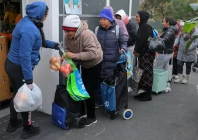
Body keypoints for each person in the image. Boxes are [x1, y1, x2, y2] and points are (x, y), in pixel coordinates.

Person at [4, 2, 60, 139]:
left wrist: (55, 45)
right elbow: (24, 56)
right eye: (45, 14)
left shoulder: (28, 22)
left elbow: (40, 41)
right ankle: (27, 128)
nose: (46, 17)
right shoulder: (29, 29)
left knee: (18, 93)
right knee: (25, 98)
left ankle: (13, 122)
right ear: (39, 13)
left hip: (12, 64)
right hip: (19, 67)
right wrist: (28, 80)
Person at [62, 15, 103, 126]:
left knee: (90, 90)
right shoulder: (67, 36)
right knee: (81, 88)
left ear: (76, 29)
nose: (67, 33)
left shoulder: (87, 34)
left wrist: (74, 55)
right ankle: (82, 112)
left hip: (94, 63)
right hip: (81, 62)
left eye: (69, 31)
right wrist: (66, 56)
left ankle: (91, 116)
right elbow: (66, 49)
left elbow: (92, 54)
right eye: (65, 31)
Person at [95, 8, 127, 108]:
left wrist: (123, 48)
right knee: (99, 82)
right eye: (100, 19)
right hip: (99, 61)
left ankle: (109, 102)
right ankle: (98, 101)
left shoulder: (117, 29)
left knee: (110, 83)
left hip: (112, 62)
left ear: (109, 19)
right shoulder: (96, 30)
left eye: (104, 19)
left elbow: (123, 42)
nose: (102, 21)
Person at [133, 11, 155, 101]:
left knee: (146, 74)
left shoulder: (145, 27)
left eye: (137, 16)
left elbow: (143, 40)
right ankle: (142, 93)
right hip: (143, 54)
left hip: (147, 54)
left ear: (142, 17)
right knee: (142, 73)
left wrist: (136, 50)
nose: (136, 18)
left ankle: (147, 94)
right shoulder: (143, 26)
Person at [155, 17, 178, 92]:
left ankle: (158, 86)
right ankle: (165, 85)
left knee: (158, 69)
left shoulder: (170, 31)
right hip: (168, 53)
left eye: (163, 21)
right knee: (165, 69)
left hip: (164, 53)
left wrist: (156, 40)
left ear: (168, 23)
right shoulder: (171, 30)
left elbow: (164, 40)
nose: (162, 23)